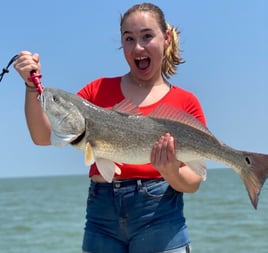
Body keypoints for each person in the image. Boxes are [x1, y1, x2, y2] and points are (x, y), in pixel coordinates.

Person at [14, 2, 206, 253]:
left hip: (160, 217)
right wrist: (31, 87)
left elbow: (193, 182)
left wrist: (171, 172)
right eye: (129, 39)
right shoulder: (97, 91)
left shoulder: (186, 103)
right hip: (101, 216)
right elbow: (42, 136)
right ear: (122, 44)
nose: (138, 47)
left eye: (147, 36)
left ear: (166, 38)